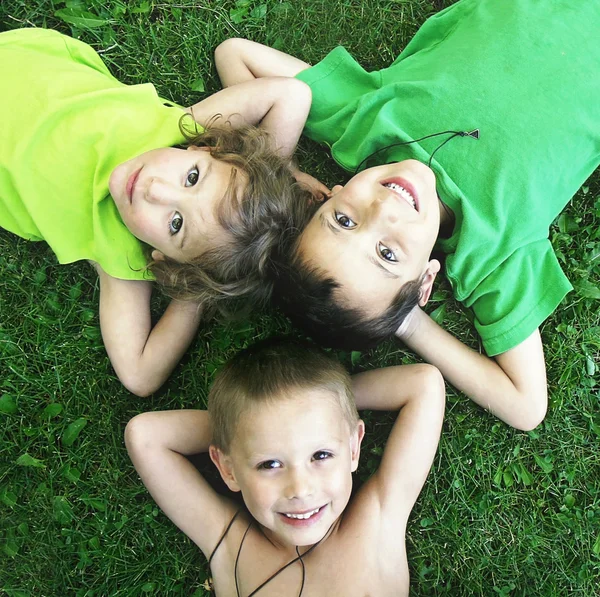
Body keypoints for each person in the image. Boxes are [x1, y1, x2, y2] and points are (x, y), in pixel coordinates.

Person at [213, 0, 600, 430]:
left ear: (328, 196)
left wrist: (284, 171)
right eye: (387, 255)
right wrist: (407, 321)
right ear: (425, 280)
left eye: (343, 221)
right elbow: (526, 408)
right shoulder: (493, 253)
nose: (382, 210)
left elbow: (235, 53)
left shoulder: (362, 123)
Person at [0, 27, 322, 396]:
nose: (155, 189)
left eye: (175, 224)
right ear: (205, 149)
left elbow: (139, 375)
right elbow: (291, 93)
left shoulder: (117, 255)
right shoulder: (178, 127)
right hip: (22, 54)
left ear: (164, 259)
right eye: (191, 178)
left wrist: (196, 288)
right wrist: (284, 169)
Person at [125, 338, 444, 596]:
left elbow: (424, 385)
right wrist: (243, 425)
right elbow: (145, 437)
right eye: (270, 463)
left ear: (352, 448)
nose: (300, 489)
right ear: (228, 469)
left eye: (320, 455)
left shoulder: (378, 519)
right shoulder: (228, 542)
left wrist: (326, 406)